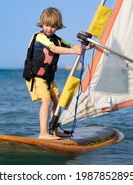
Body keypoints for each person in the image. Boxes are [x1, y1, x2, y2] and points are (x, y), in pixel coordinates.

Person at [23, 7, 93, 140]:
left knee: (59, 101)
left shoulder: (57, 39)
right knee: (46, 101)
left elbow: (73, 47)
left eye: (53, 27)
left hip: (48, 78)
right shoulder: (40, 37)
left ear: (58, 27)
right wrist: (74, 52)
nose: (49, 29)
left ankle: (53, 131)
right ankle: (43, 133)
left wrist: (88, 46)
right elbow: (54, 49)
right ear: (42, 24)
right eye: (47, 25)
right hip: (36, 77)